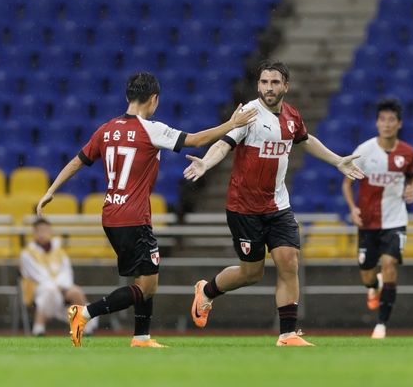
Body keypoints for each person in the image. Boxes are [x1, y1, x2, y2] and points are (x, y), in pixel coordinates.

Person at [36, 72, 257, 348]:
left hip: (111, 214)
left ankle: (141, 337)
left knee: (145, 277)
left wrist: (51, 190)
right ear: (153, 99)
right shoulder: (149, 129)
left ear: (128, 96)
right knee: (148, 285)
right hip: (133, 216)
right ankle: (84, 313)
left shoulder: (106, 130)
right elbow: (197, 140)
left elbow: (78, 161)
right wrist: (231, 123)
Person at [184, 60, 365, 346]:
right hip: (244, 208)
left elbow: (305, 139)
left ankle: (288, 334)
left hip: (278, 206)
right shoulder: (248, 113)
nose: (269, 88)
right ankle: (206, 291)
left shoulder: (292, 115)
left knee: (289, 261)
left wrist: (337, 160)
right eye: (265, 82)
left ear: (285, 86)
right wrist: (206, 163)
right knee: (250, 273)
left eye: (275, 82)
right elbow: (224, 143)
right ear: (258, 86)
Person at [341, 99, 413, 339]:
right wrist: (353, 209)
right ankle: (373, 288)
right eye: (382, 120)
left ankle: (381, 325)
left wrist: (411, 188)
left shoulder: (408, 153)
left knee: (390, 264)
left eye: (391, 120)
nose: (386, 124)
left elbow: (411, 177)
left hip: (395, 221)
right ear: (377, 123)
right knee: (366, 272)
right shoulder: (364, 151)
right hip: (368, 222)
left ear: (399, 124)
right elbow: (346, 183)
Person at [20, 217, 98, 337]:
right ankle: (38, 328)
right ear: (34, 233)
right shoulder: (27, 253)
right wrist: (55, 286)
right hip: (39, 288)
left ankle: (83, 327)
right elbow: (36, 275)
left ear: (50, 232)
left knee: (76, 292)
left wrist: (62, 286)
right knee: (49, 291)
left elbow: (66, 271)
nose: (42, 234)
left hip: (62, 287)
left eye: (45, 230)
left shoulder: (59, 252)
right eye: (39, 231)